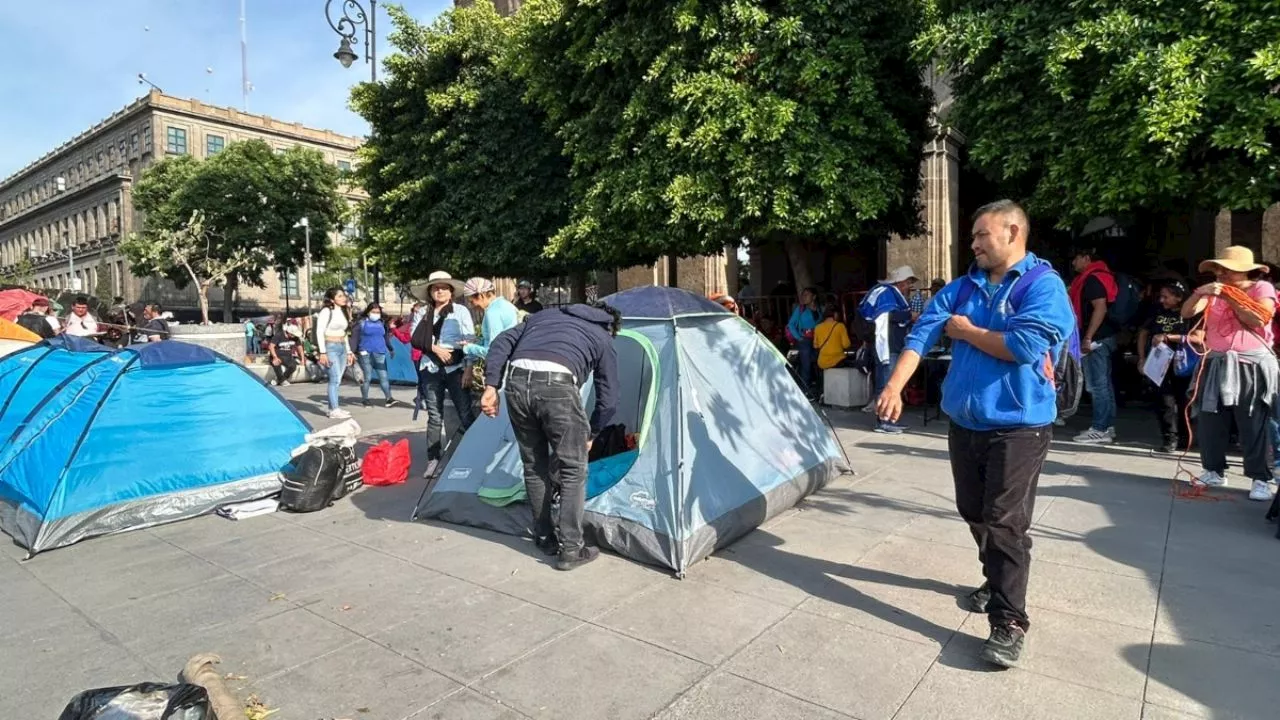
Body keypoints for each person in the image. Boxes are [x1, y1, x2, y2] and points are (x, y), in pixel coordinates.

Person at [876, 200, 1075, 668]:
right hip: (965, 422)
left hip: (1019, 425)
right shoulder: (963, 286)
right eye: (973, 237)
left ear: (1012, 232)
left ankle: (1009, 620)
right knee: (974, 509)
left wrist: (966, 332)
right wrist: (893, 386)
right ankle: (998, 576)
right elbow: (922, 334)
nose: (974, 244)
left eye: (982, 235)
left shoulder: (1042, 285)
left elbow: (1024, 347)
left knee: (1005, 521)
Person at [479, 301, 621, 571]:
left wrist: (491, 386)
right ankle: (571, 548)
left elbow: (500, 341)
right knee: (572, 469)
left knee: (534, 465)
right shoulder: (602, 335)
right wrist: (595, 430)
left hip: (517, 383)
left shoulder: (542, 316)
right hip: (557, 387)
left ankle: (544, 536)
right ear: (611, 325)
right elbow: (609, 399)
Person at [1182, 247, 1278, 502]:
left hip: (1250, 364)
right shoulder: (1214, 290)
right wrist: (1200, 293)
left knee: (1252, 421)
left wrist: (1231, 296)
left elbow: (1258, 318)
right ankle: (1213, 469)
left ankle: (1261, 478)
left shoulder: (1261, 289)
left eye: (1226, 269)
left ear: (1243, 270)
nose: (1220, 273)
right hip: (1217, 360)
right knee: (1210, 417)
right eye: (1218, 268)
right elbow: (1187, 313)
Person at [410, 271, 476, 477]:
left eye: (444, 287)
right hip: (431, 366)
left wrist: (468, 368)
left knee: (465, 412)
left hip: (456, 367)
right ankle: (433, 460)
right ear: (430, 291)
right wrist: (436, 349)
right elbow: (415, 338)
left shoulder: (460, 311)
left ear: (451, 291)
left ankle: (475, 455)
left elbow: (470, 339)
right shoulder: (423, 312)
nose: (439, 291)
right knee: (434, 416)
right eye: (435, 287)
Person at [1068, 247, 1120, 444]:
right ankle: (1107, 426)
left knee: (1097, 385)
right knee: (1104, 384)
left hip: (1097, 340)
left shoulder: (1092, 279)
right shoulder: (1103, 276)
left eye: (1076, 258)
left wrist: (1088, 337)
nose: (1074, 263)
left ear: (1086, 258)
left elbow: (1100, 308)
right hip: (1104, 337)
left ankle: (1100, 428)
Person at [858, 267, 918, 433]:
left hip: (894, 345)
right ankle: (882, 421)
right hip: (887, 345)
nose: (909, 286)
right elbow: (885, 316)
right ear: (899, 282)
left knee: (889, 382)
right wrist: (909, 316)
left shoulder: (892, 294)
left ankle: (889, 419)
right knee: (885, 383)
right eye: (907, 282)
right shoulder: (886, 293)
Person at [1136, 280, 1194, 454]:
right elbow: (1143, 333)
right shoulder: (1157, 311)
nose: (1162, 300)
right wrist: (1142, 358)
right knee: (1164, 401)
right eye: (1161, 296)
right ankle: (1170, 438)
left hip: (1183, 363)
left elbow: (1198, 337)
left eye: (1166, 297)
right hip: (1159, 361)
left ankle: (1186, 438)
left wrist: (1168, 336)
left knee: (1185, 401)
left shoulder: (1190, 314)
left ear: (1179, 297)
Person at [315, 288, 355, 419]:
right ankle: (334, 410)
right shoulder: (326, 311)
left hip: (342, 346)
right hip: (330, 346)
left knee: (338, 378)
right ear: (332, 299)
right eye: (340, 296)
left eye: (343, 296)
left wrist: (349, 351)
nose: (343, 298)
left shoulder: (343, 311)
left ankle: (333, 407)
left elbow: (345, 334)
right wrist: (322, 352)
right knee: (335, 378)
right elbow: (319, 331)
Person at [350, 302, 396, 408]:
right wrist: (351, 352)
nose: (376, 314)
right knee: (367, 377)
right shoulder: (360, 323)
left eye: (378, 312)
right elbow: (354, 338)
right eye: (373, 312)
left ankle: (389, 398)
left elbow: (385, 337)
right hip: (365, 353)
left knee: (383, 376)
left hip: (380, 352)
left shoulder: (382, 323)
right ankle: (365, 399)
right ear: (368, 312)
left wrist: (391, 349)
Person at [462, 277, 520, 359]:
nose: (471, 306)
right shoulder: (505, 304)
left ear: (481, 295)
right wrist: (478, 343)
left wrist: (468, 348)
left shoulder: (492, 312)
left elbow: (492, 351)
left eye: (472, 302)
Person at [787, 287, 822, 395]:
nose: (804, 297)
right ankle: (804, 390)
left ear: (814, 297)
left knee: (818, 362)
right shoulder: (800, 309)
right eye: (803, 295)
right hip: (804, 339)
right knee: (806, 364)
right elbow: (791, 324)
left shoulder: (820, 309)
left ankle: (817, 388)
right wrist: (799, 337)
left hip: (817, 339)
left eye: (807, 294)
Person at [266, 317, 304, 387]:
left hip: (288, 356)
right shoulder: (279, 335)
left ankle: (280, 380)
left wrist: (302, 359)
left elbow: (300, 348)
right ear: (289, 333)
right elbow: (271, 346)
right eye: (293, 335)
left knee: (293, 366)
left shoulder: (295, 337)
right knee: (276, 363)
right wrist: (275, 357)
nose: (294, 337)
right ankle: (282, 380)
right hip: (277, 355)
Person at [814, 303, 852, 371]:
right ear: (835, 314)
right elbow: (846, 345)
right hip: (837, 361)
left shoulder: (817, 327)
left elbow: (815, 346)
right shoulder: (840, 326)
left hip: (822, 363)